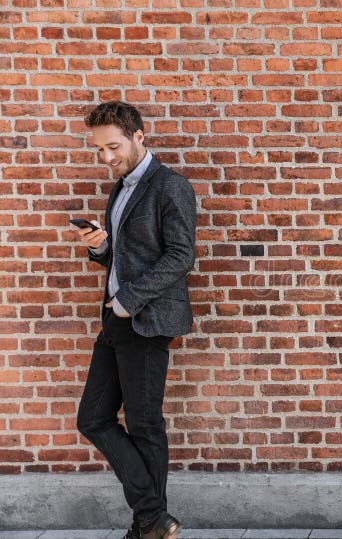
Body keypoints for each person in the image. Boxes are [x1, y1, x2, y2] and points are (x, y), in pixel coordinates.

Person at [75, 101, 196, 539]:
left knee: (145, 425)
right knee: (92, 418)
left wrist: (126, 300)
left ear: (138, 136)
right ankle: (152, 518)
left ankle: (148, 523)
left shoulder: (170, 186)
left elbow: (182, 257)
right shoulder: (119, 189)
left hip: (145, 320)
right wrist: (100, 247)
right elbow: (126, 257)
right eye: (98, 150)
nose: (107, 158)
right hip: (116, 321)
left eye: (113, 147)